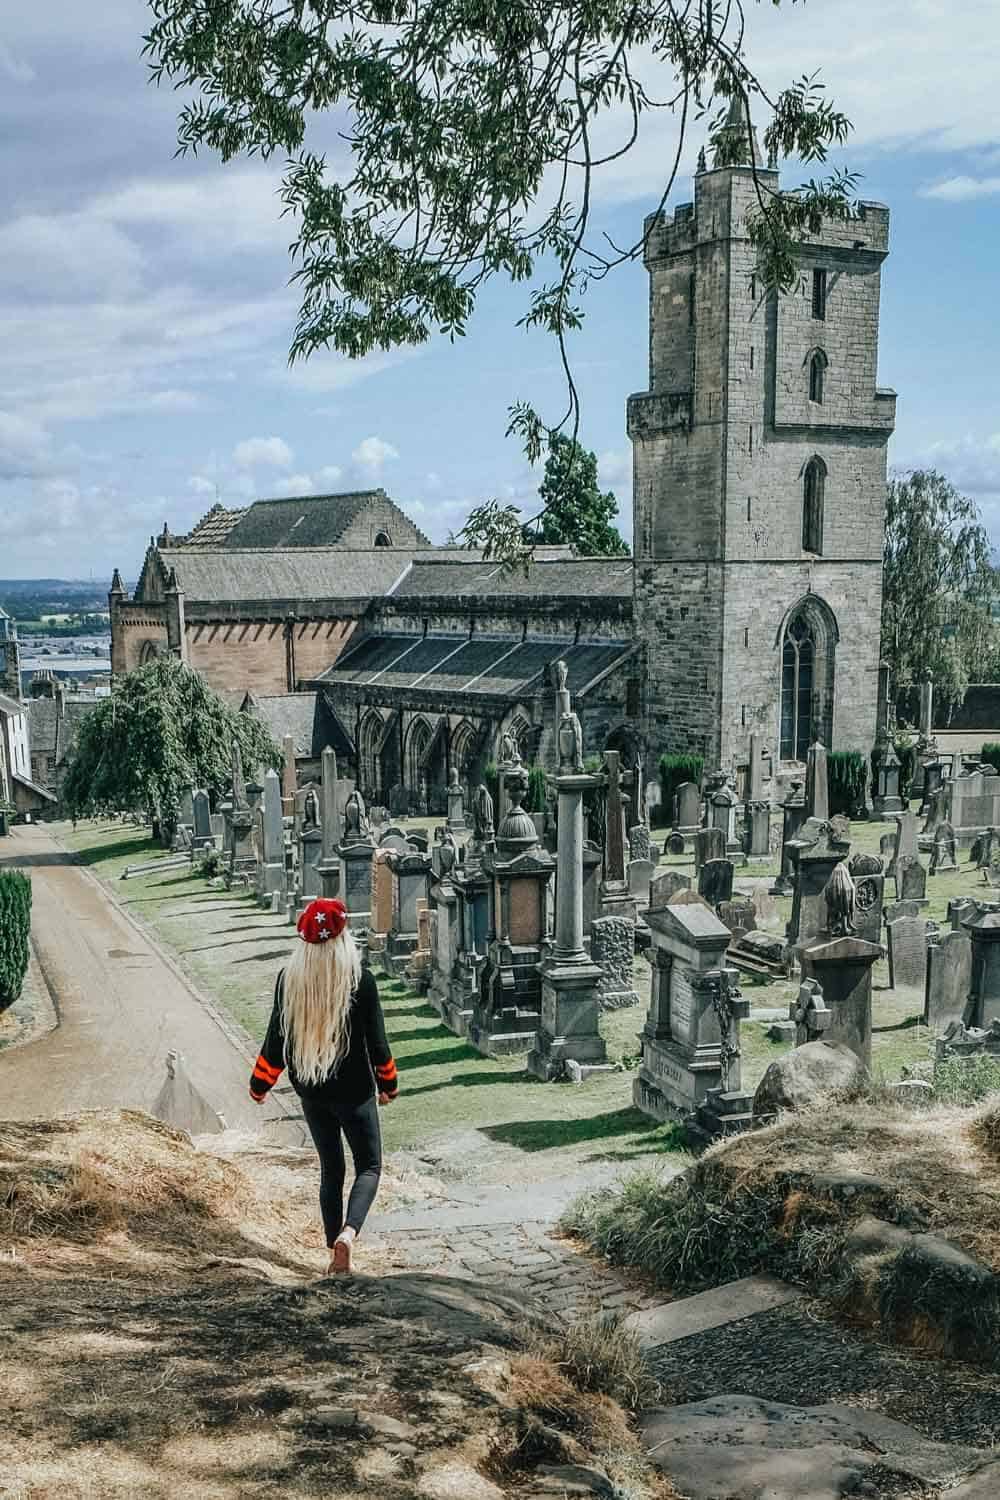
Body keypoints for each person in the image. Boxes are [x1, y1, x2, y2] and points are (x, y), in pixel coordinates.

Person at [248, 897, 398, 1274]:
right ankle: (348, 1234)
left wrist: (260, 1085)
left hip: (311, 1090)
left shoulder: (289, 979)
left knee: (331, 1169)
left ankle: (333, 1250)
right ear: (344, 935)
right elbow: (377, 1044)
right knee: (369, 1166)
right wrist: (388, 1085)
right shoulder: (359, 979)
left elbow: (275, 1041)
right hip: (355, 1091)